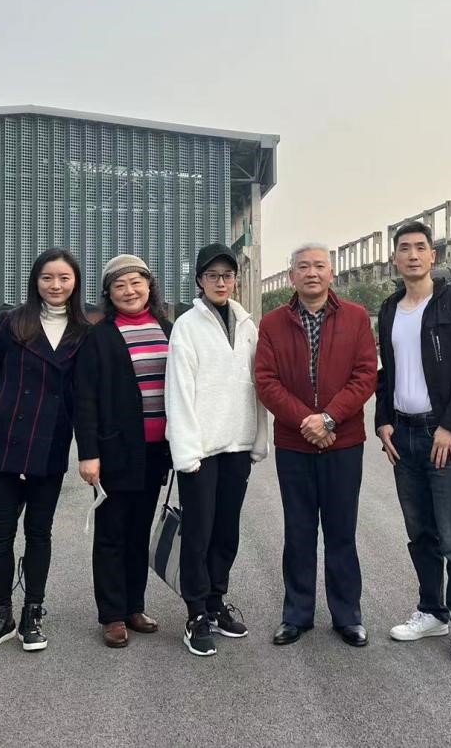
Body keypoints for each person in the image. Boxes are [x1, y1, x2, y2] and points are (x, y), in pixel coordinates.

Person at [374, 222, 451, 663]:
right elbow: (386, 371)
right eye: (404, 248)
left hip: (442, 435)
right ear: (395, 259)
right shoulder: (390, 308)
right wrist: (383, 421)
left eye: (420, 247)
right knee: (419, 532)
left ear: (433, 256)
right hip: (402, 434)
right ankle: (431, 611)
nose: (412, 255)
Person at [0, 248, 89, 654]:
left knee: (39, 533)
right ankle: (0, 614)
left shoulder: (83, 332)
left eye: (64, 278)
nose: (56, 285)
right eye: (47, 277)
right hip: (2, 446)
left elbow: (83, 397)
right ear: (35, 281)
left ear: (75, 283)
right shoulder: (11, 322)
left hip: (50, 446)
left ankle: (32, 613)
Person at [254, 243, 377, 648]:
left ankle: (348, 615)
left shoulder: (356, 317)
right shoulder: (273, 323)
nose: (311, 273)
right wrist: (305, 420)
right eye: (303, 267)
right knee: (299, 531)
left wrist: (328, 418)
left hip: (343, 442)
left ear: (331, 273)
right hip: (295, 444)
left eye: (319, 266)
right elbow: (266, 380)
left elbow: (365, 375)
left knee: (342, 532)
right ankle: (296, 614)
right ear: (292, 276)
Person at [165, 243, 268, 657]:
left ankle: (215, 601)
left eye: (227, 275)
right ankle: (195, 613)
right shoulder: (186, 326)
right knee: (198, 532)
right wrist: (186, 451)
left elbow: (257, 386)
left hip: (237, 444)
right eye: (212, 276)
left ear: (236, 281)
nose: (221, 282)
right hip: (201, 450)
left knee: (226, 530)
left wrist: (258, 439)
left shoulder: (247, 324)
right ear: (199, 281)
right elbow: (179, 391)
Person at [73, 254, 173, 649]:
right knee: (112, 533)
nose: (130, 291)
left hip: (156, 452)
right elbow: (85, 399)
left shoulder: (169, 329)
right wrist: (88, 453)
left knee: (139, 532)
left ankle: (134, 606)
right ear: (109, 293)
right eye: (120, 285)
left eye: (136, 282)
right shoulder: (99, 336)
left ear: (149, 285)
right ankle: (112, 614)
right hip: (115, 452)